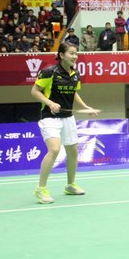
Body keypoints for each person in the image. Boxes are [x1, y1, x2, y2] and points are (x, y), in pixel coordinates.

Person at [30, 41, 99, 204]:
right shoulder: (49, 72)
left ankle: (70, 185)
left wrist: (85, 107)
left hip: (67, 117)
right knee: (54, 149)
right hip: (50, 117)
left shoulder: (75, 74)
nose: (75, 56)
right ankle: (41, 189)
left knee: (73, 152)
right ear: (61, 55)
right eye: (71, 53)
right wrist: (50, 103)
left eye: (76, 53)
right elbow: (34, 91)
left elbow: (73, 92)